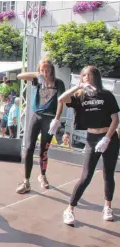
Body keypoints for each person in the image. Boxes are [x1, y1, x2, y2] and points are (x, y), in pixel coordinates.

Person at [48, 66, 119, 225]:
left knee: (108, 174)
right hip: (92, 137)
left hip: (109, 137)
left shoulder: (106, 95)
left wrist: (107, 138)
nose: (86, 77)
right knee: (86, 176)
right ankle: (69, 209)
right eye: (83, 75)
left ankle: (107, 207)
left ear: (96, 77)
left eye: (89, 74)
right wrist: (77, 87)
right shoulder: (80, 96)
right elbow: (61, 99)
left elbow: (115, 119)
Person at [16, 57, 66, 193]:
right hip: (36, 116)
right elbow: (20, 75)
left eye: (47, 70)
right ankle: (26, 181)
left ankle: (42, 176)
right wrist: (37, 75)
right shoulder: (38, 80)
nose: (45, 72)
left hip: (49, 118)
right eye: (42, 70)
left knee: (44, 150)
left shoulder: (58, 83)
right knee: (29, 148)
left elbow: (61, 101)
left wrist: (57, 119)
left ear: (52, 70)